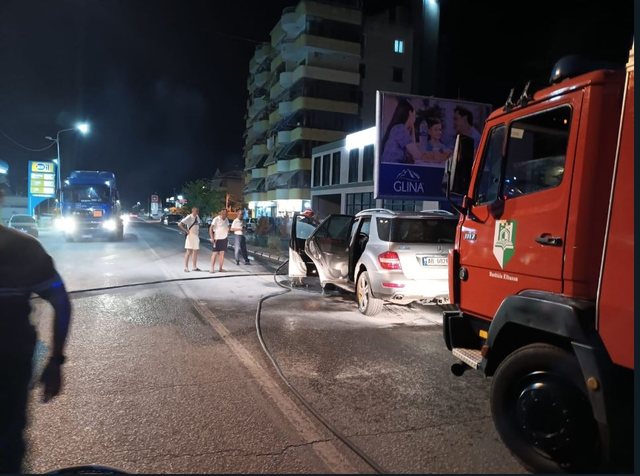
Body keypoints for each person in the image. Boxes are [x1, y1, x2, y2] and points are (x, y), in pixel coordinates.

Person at [1, 198, 72, 473]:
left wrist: (56, 360)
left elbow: (62, 301)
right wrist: (55, 361)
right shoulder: (23, 247)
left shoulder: (21, 247)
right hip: (10, 364)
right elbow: (61, 301)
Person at [380, 99, 449, 166]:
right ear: (410, 112)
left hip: (394, 167)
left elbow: (413, 149)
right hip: (391, 168)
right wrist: (437, 158)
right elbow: (416, 155)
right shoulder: (400, 129)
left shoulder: (401, 128)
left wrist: (412, 126)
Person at [177, 207, 202, 272]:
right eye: (196, 211)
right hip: (190, 236)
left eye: (197, 211)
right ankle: (186, 267)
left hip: (196, 236)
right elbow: (180, 224)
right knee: (188, 251)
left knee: (195, 252)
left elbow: (198, 224)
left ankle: (194, 266)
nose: (197, 212)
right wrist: (186, 230)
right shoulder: (189, 217)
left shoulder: (197, 217)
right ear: (192, 211)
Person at [209, 208, 229, 272]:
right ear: (220, 213)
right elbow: (210, 229)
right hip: (217, 239)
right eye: (223, 213)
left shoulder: (226, 220)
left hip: (224, 238)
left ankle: (220, 268)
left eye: (225, 213)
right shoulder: (216, 219)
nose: (224, 214)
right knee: (214, 253)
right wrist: (212, 238)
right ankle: (212, 268)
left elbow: (227, 227)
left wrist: (228, 231)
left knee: (222, 254)